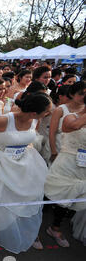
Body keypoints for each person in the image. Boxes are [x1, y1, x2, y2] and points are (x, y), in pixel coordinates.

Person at [0, 92, 52, 253]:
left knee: (19, 196)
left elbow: (29, 137)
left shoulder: (34, 120)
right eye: (45, 112)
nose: (47, 114)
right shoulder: (6, 119)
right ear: (34, 112)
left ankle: (9, 227)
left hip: (24, 161)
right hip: (1, 161)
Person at [44, 82, 86, 247]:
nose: (82, 97)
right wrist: (53, 151)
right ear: (73, 94)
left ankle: (56, 226)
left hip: (82, 165)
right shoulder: (67, 114)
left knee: (71, 196)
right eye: (81, 93)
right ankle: (35, 222)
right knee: (51, 191)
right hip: (66, 157)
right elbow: (55, 131)